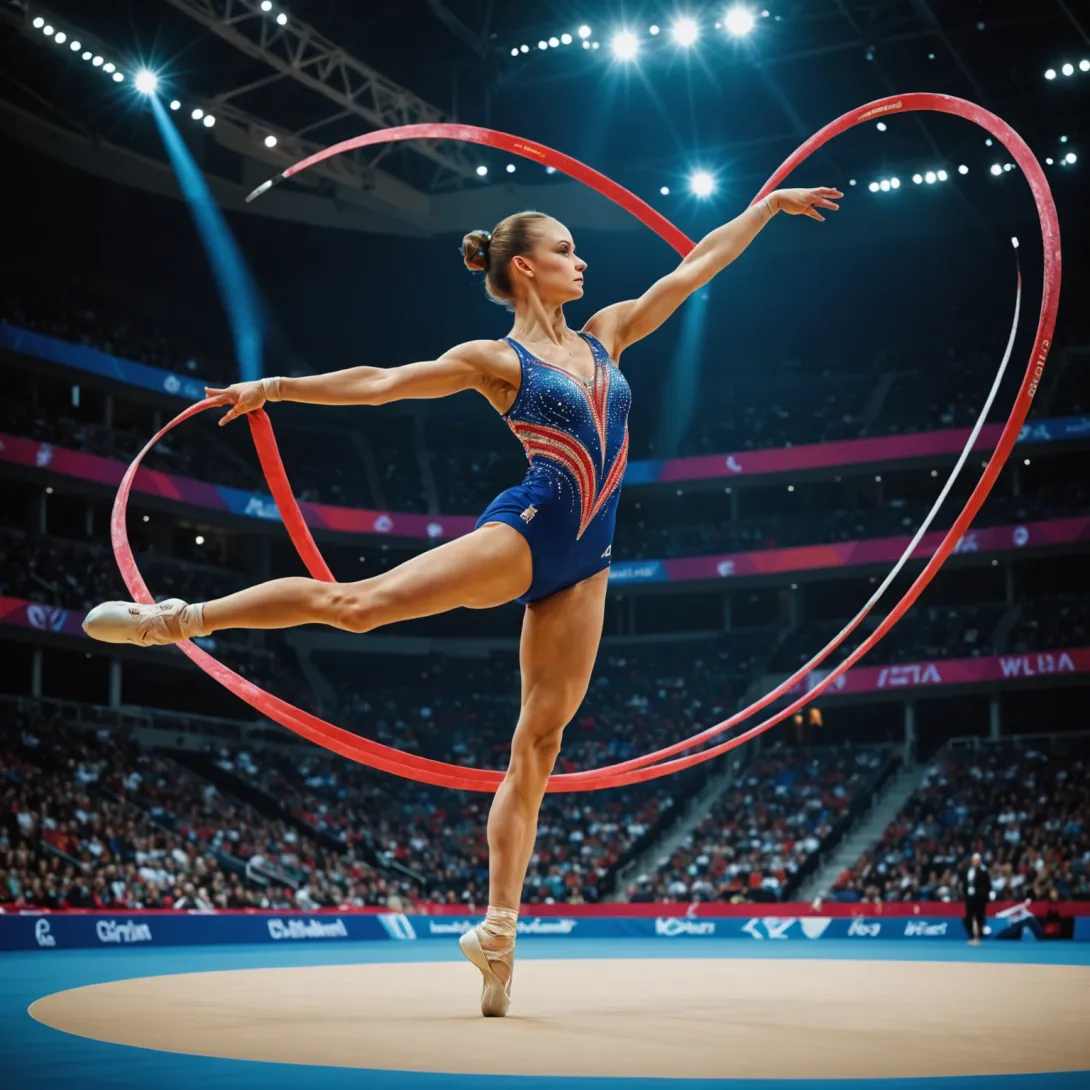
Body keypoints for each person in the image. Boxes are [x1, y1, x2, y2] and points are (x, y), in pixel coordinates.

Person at [83, 188, 842, 1015]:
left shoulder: (609, 333)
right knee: (358, 606)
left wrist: (767, 207)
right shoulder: (497, 360)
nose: (582, 260)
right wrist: (275, 387)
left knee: (539, 745)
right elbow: (383, 383)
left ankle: (498, 934)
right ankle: (177, 620)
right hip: (530, 528)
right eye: (565, 249)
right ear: (526, 266)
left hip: (589, 563)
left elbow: (696, 267)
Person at [962, 851, 992, 945]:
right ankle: (971, 936)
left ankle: (978, 936)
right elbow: (965, 884)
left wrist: (982, 896)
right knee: (968, 917)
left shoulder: (983, 871)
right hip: (969, 898)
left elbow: (987, 885)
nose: (976, 862)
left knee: (979, 917)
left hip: (979, 898)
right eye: (974, 860)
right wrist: (965, 894)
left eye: (977, 860)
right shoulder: (968, 870)